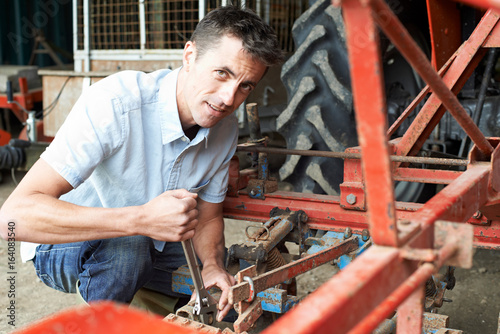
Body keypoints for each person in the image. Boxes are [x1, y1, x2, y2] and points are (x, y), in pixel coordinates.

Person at [0, 6, 283, 322]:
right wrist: (141, 219)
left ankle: (156, 310)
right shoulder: (115, 103)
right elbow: (12, 218)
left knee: (231, 295)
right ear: (189, 56)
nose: (229, 98)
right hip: (61, 245)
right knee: (129, 250)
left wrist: (212, 267)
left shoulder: (225, 129)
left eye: (246, 85)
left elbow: (207, 219)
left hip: (151, 243)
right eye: (222, 73)